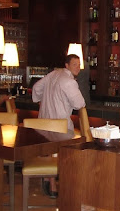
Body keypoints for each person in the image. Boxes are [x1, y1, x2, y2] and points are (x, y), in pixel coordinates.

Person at [32, 54, 85, 197]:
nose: (77, 67)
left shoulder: (54, 74)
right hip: (59, 123)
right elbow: (79, 104)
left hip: (44, 120)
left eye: (79, 64)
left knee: (49, 149)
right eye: (74, 64)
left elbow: (36, 87)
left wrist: (40, 100)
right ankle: (53, 182)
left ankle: (47, 178)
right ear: (67, 65)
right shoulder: (69, 81)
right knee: (61, 150)